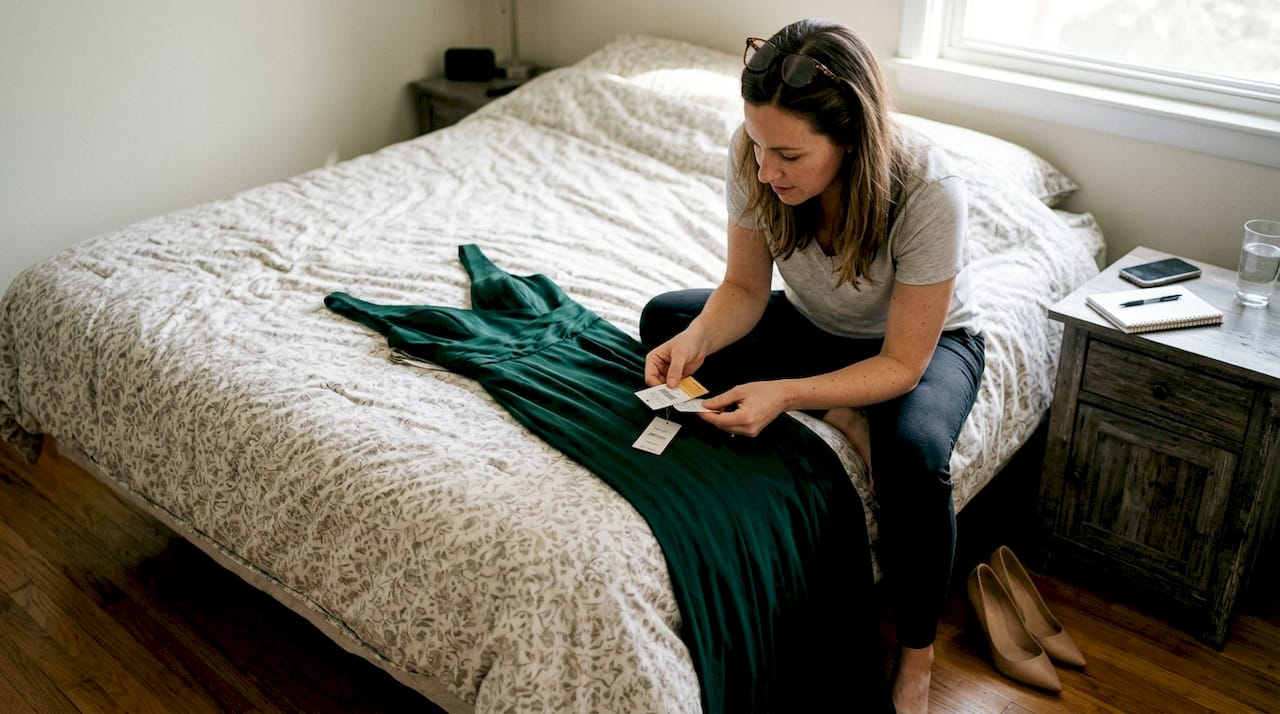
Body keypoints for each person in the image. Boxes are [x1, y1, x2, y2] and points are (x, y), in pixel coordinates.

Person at [639, 18, 985, 714]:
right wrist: (701, 338)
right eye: (760, 147)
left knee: (914, 456)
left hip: (920, 346)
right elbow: (742, 289)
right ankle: (840, 407)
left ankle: (917, 657)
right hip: (813, 326)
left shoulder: (927, 190)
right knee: (666, 321)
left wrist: (783, 392)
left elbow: (902, 363)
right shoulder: (755, 155)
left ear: (851, 139)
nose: (766, 170)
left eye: (789, 156)